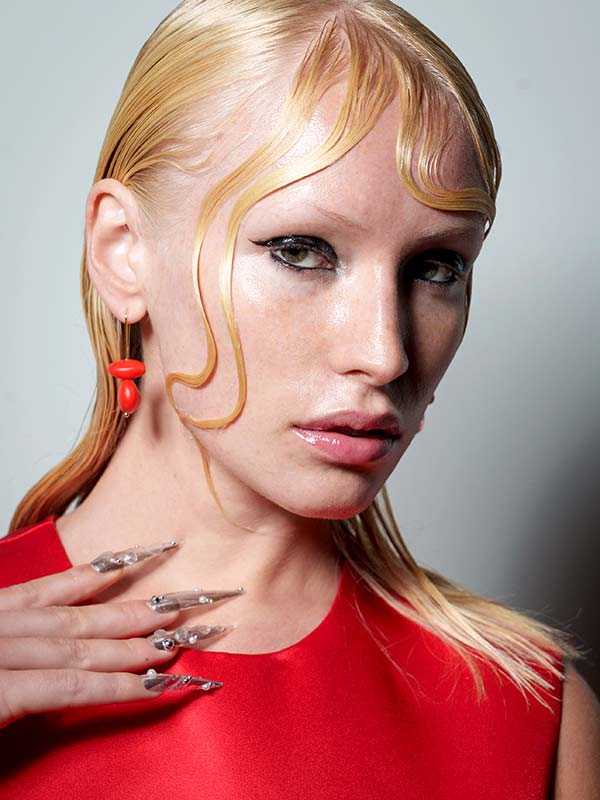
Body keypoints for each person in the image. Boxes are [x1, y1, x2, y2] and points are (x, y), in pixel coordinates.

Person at [0, 0, 598, 797]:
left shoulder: (527, 710)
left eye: (436, 268)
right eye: (300, 251)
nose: (384, 352)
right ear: (123, 252)